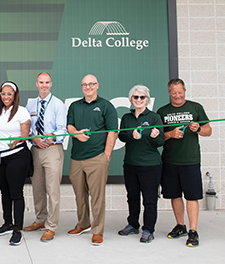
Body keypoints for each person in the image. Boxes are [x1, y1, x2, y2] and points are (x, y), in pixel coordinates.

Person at [157, 78, 211, 247]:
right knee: (174, 195)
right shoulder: (162, 111)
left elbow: (208, 130)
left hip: (190, 160)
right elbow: (158, 137)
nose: (177, 96)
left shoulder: (196, 108)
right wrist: (170, 134)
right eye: (174, 93)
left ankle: (193, 231)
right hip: (170, 160)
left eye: (180, 92)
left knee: (192, 196)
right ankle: (181, 225)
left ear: (185, 91)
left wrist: (199, 129)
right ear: (169, 93)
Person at [66, 74, 118, 246]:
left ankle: (97, 231)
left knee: (97, 197)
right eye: (84, 85)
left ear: (97, 85)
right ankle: (83, 224)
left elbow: (112, 131)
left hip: (97, 158)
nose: (87, 87)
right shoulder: (75, 106)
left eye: (91, 84)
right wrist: (76, 134)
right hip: (76, 159)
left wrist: (107, 155)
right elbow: (69, 126)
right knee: (80, 195)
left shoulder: (106, 106)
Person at [0, 81, 31, 246]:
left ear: (15, 95)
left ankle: (18, 229)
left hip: (17, 156)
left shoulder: (21, 111)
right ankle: (7, 224)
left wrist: (17, 140)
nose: (6, 97)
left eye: (9, 93)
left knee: (16, 193)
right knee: (5, 192)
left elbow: (26, 134)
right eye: (3, 93)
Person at [117, 85, 164, 243]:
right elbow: (122, 136)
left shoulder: (154, 117)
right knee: (132, 197)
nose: (138, 100)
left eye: (142, 97)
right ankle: (133, 224)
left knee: (150, 199)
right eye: (135, 97)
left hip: (150, 165)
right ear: (131, 99)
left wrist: (154, 136)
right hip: (130, 164)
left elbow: (160, 141)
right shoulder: (126, 118)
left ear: (147, 99)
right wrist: (132, 135)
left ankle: (148, 229)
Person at [24, 72, 67, 241]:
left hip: (52, 149)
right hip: (35, 150)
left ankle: (51, 226)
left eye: (47, 82)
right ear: (36, 84)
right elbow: (26, 128)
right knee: (38, 188)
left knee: (52, 190)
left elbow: (62, 129)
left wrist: (53, 136)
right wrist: (33, 138)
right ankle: (40, 220)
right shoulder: (31, 105)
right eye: (41, 82)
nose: (44, 85)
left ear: (51, 84)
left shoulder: (58, 104)